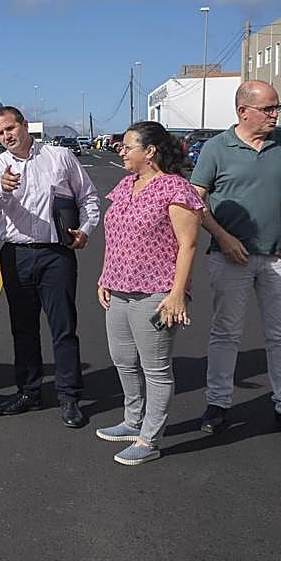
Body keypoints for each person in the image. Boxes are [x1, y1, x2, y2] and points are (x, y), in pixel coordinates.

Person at [190, 80, 281, 443]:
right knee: (225, 333)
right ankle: (217, 405)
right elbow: (196, 200)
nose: (276, 114)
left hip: (279, 257)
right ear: (243, 111)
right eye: (269, 108)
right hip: (231, 259)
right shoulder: (216, 148)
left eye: (276, 108)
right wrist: (223, 237)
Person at [0, 106, 100, 428]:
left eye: (10, 128)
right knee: (23, 329)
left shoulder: (59, 157)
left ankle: (69, 396)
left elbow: (88, 197)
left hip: (55, 254)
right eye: (0, 133)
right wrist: (4, 190)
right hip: (16, 254)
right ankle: (29, 391)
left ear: (25, 126)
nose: (7, 136)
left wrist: (85, 231)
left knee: (63, 327)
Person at [96, 121, 203, 466]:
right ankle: (132, 419)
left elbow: (188, 245)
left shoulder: (175, 189)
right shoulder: (126, 185)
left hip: (155, 292)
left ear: (150, 151)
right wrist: (104, 276)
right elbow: (114, 236)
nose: (122, 152)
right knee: (123, 359)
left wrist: (177, 294)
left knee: (155, 368)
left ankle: (150, 438)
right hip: (119, 287)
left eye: (128, 147)